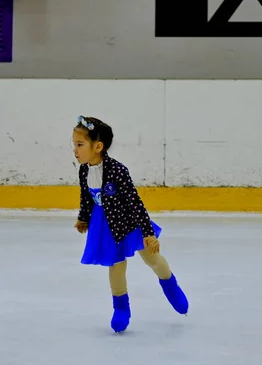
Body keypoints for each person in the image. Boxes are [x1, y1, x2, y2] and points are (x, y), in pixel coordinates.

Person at [72, 116, 189, 333]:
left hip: (129, 223)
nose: (75, 150)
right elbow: (86, 196)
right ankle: (121, 308)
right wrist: (84, 217)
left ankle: (171, 286)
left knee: (152, 259)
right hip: (105, 225)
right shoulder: (84, 170)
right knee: (115, 265)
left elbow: (135, 202)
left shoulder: (117, 171)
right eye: (75, 145)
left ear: (98, 147)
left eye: (80, 145)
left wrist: (148, 233)